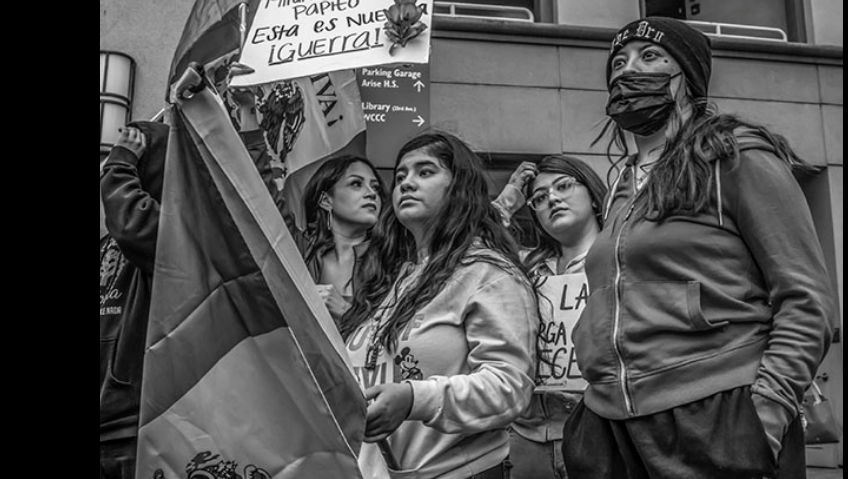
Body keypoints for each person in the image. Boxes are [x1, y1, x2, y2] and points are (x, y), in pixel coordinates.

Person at [563, 17, 835, 479]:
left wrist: (766, 414)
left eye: (650, 56)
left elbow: (807, 300)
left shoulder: (736, 157)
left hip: (717, 416)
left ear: (688, 77)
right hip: (612, 424)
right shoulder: (619, 188)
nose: (628, 70)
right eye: (618, 62)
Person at [339, 131, 539, 479]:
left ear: (458, 187)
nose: (406, 183)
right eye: (400, 176)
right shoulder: (390, 280)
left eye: (425, 172)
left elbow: (509, 389)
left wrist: (414, 399)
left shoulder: (488, 273)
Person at [233, 74, 384, 323]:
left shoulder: (393, 257)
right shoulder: (300, 250)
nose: (371, 193)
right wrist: (248, 109)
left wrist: (346, 312)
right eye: (356, 184)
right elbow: (261, 191)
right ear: (326, 201)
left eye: (376, 187)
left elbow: (405, 333)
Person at [505, 155, 607, 479]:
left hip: (599, 428)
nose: (552, 198)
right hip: (527, 437)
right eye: (539, 198)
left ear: (593, 196)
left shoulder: (622, 259)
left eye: (563, 186)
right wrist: (508, 201)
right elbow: (467, 246)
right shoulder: (523, 266)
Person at [100, 122, 169, 478]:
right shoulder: (107, 245)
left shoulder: (170, 234)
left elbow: (134, 226)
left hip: (134, 429)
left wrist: (119, 165)